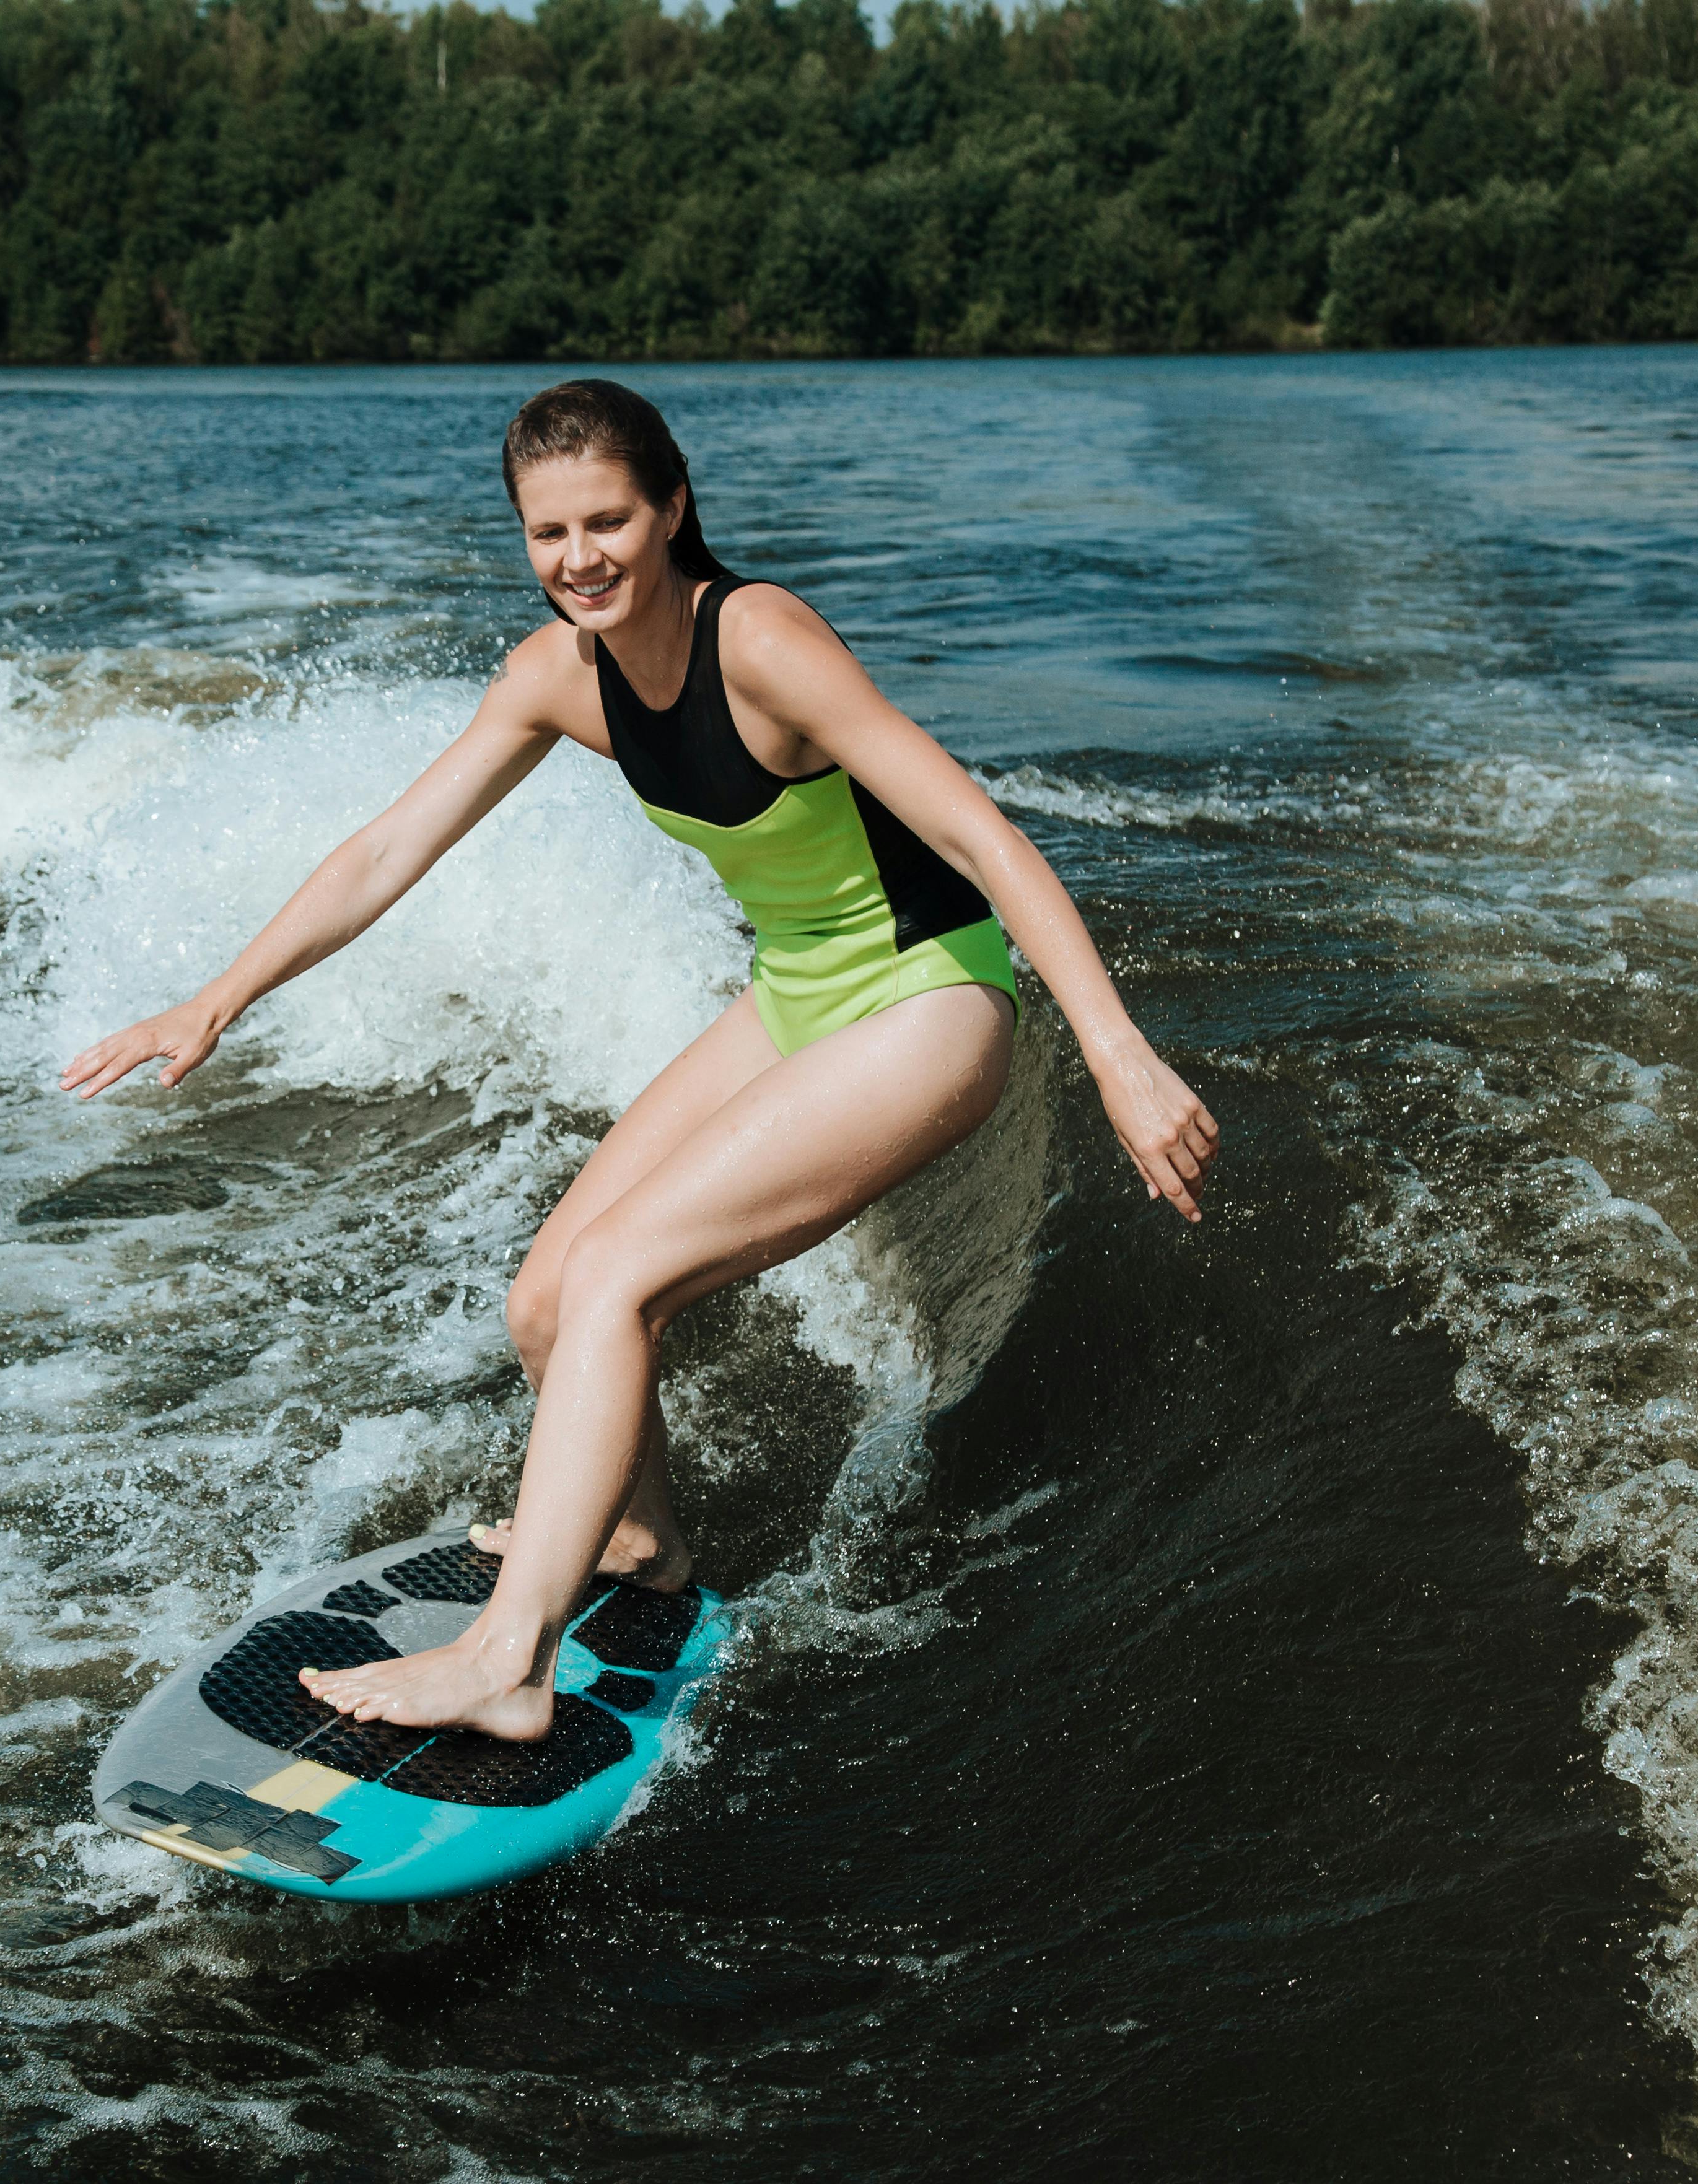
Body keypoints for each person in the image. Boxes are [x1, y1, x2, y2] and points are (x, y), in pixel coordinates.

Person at [63, 380, 1217, 1743]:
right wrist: (216, 998)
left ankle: (510, 1655)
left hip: (925, 998)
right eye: (546, 532)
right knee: (550, 1301)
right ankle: (638, 1544)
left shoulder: (763, 640)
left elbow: (979, 835)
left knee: (620, 1275)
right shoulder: (557, 673)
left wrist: (1116, 1049)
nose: (579, 557)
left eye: (606, 519)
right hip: (795, 990)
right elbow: (386, 848)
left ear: (670, 506)